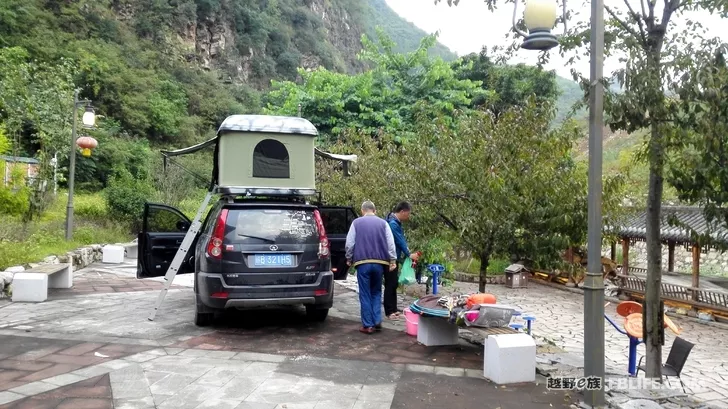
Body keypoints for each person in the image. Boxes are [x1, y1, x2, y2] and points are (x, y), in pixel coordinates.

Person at [345, 201, 397, 334]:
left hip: (362, 264)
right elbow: (390, 243)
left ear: (363, 211)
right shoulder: (383, 223)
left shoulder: (356, 223)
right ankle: (377, 321)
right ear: (375, 210)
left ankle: (368, 325)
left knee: (365, 293)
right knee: (376, 292)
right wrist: (392, 260)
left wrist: (349, 258)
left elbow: (350, 243)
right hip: (379, 264)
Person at [385, 201, 419, 320]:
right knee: (390, 283)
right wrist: (409, 254)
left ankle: (393, 309)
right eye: (408, 213)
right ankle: (389, 311)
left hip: (393, 257)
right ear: (402, 211)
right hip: (389, 258)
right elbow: (400, 240)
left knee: (393, 283)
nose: (408, 216)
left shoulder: (394, 222)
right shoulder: (393, 224)